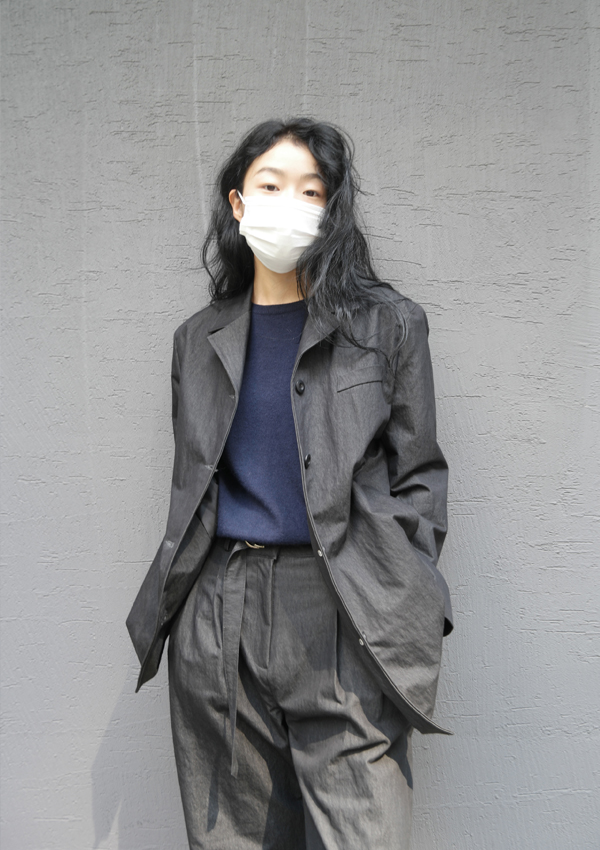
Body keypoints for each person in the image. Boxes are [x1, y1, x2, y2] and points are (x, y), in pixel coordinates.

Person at [126, 117, 453, 850]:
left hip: (344, 603)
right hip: (219, 609)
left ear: (332, 209)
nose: (290, 203)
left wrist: (402, 586)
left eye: (311, 190)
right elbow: (193, 481)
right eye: (271, 186)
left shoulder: (388, 327)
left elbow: (420, 475)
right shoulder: (197, 340)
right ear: (238, 203)